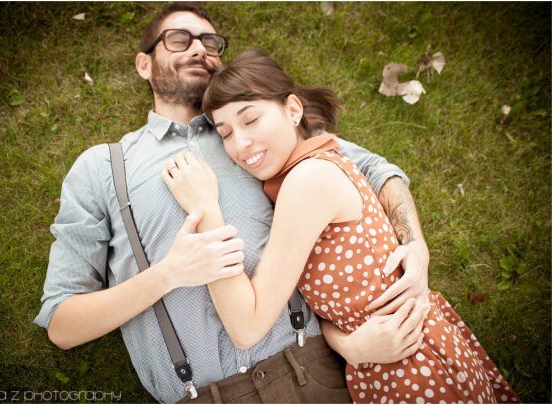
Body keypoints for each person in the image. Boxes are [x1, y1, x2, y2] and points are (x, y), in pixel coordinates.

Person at [35, 3, 431, 403]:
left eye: (210, 42)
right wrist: (168, 274)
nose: (198, 49)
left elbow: (375, 171)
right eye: (179, 39)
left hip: (311, 375)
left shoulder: (261, 131)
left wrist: (415, 243)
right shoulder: (102, 168)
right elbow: (63, 325)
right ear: (143, 65)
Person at [163, 49, 520, 404]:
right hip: (392, 357)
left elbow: (247, 327)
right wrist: (347, 344)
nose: (239, 144)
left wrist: (206, 209)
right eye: (225, 133)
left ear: (292, 110)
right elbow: (344, 311)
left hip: (412, 365)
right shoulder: (313, 166)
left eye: (251, 120)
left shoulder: (308, 180)